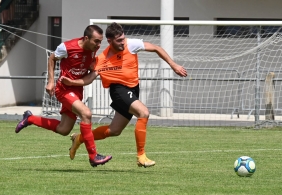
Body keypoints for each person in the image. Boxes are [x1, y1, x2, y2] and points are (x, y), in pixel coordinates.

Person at [60, 22, 187, 168]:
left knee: (114, 131)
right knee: (143, 112)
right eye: (119, 40)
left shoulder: (131, 45)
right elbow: (90, 78)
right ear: (110, 41)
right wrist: (72, 82)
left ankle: (79, 138)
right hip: (118, 90)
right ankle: (141, 156)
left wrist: (173, 65)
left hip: (133, 89)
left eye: (123, 39)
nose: (123, 42)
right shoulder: (101, 59)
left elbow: (156, 48)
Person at [15, 25, 112, 167]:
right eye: (96, 41)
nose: (99, 45)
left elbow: (88, 63)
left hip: (77, 90)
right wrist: (51, 81)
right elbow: (52, 59)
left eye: (100, 41)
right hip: (64, 89)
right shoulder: (67, 47)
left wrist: (93, 67)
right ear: (86, 38)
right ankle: (93, 156)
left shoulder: (93, 48)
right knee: (86, 113)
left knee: (64, 129)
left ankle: (30, 118)